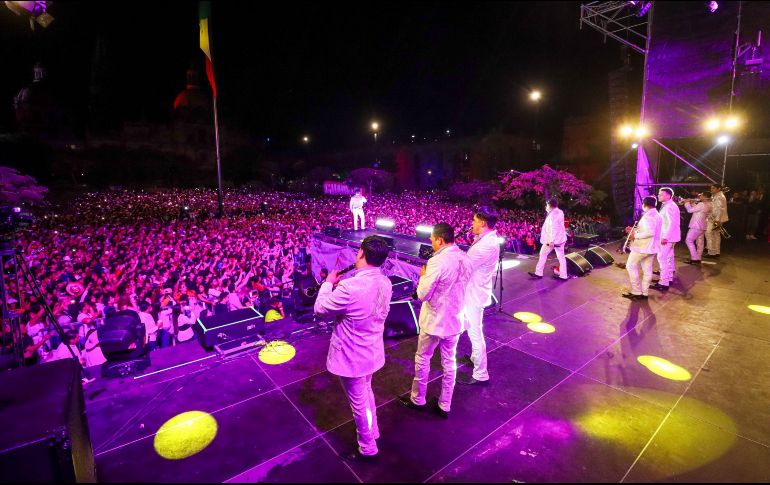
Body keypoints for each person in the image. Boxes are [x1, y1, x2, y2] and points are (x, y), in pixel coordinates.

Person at [313, 236, 392, 462]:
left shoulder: (350, 287)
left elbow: (320, 309)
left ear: (361, 254)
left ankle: (367, 447)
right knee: (366, 393)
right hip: (371, 351)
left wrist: (328, 284)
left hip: (352, 356)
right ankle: (373, 431)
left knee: (358, 403)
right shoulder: (385, 283)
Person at [400, 223, 473, 419]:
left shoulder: (436, 262)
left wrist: (423, 277)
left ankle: (418, 399)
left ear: (440, 240)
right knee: (449, 362)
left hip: (435, 321)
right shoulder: (466, 258)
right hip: (455, 320)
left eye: (432, 239)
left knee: (423, 359)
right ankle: (445, 404)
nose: (430, 242)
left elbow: (423, 294)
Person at [458, 208, 500, 386]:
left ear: (483, 223)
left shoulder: (486, 245)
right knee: (472, 329)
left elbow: (464, 267)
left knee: (475, 333)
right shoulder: (486, 239)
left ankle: (481, 374)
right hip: (475, 290)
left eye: (474, 220)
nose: (472, 223)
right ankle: (475, 358)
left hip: (474, 294)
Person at [622, 196, 662, 300]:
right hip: (652, 248)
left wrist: (634, 235)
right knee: (647, 271)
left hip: (642, 248)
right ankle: (644, 293)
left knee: (630, 266)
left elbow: (650, 232)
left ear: (644, 204)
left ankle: (636, 292)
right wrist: (634, 229)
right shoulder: (658, 215)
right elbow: (649, 230)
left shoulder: (647, 217)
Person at [528, 198, 568, 281]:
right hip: (561, 239)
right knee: (561, 257)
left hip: (552, 241)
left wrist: (551, 241)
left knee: (543, 254)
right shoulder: (560, 212)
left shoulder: (552, 215)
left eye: (546, 205)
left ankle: (538, 273)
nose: (545, 207)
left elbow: (553, 228)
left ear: (550, 205)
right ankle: (563, 276)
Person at [652, 187, 680, 292]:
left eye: (661, 194)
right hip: (669, 237)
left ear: (668, 195)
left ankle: (663, 283)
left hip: (667, 237)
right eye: (659, 194)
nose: (658, 195)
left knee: (661, 258)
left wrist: (665, 237)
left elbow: (672, 223)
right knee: (668, 257)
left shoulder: (670, 207)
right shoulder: (669, 205)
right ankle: (668, 278)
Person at [683, 192, 711, 265]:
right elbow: (698, 209)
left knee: (688, 240)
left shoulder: (701, 204)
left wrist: (686, 203)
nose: (699, 196)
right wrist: (692, 203)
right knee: (700, 243)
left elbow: (690, 210)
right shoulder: (709, 204)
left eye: (701, 195)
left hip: (696, 225)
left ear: (704, 196)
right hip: (703, 226)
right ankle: (698, 258)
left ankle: (694, 259)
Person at [705, 183, 729, 258]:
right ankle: (716, 251)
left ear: (718, 189)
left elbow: (719, 209)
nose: (711, 189)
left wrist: (717, 220)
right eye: (711, 188)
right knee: (716, 235)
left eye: (713, 188)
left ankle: (711, 252)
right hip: (717, 218)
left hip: (715, 219)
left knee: (709, 233)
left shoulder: (719, 197)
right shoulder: (718, 195)